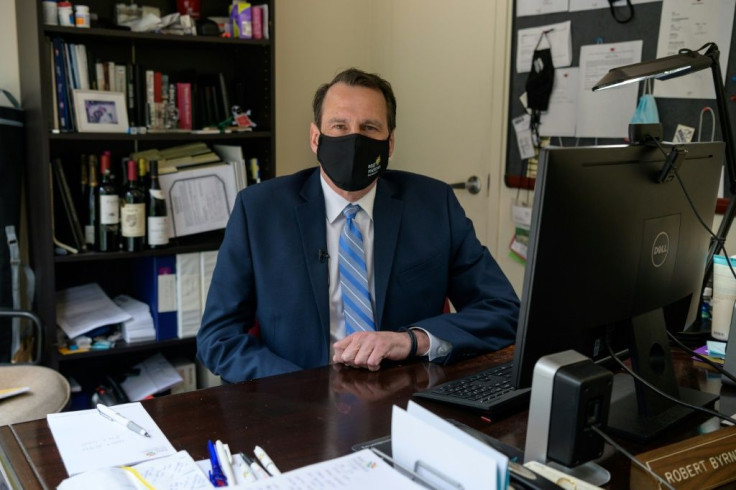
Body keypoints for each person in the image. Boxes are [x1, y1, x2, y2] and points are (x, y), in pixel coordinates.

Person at [197, 68, 520, 382]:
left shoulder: (433, 204)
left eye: (369, 128)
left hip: (403, 393)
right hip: (294, 401)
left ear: (389, 143)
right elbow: (218, 338)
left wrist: (411, 340)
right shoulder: (259, 210)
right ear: (315, 137)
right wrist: (298, 388)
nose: (354, 140)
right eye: (339, 126)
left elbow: (503, 310)